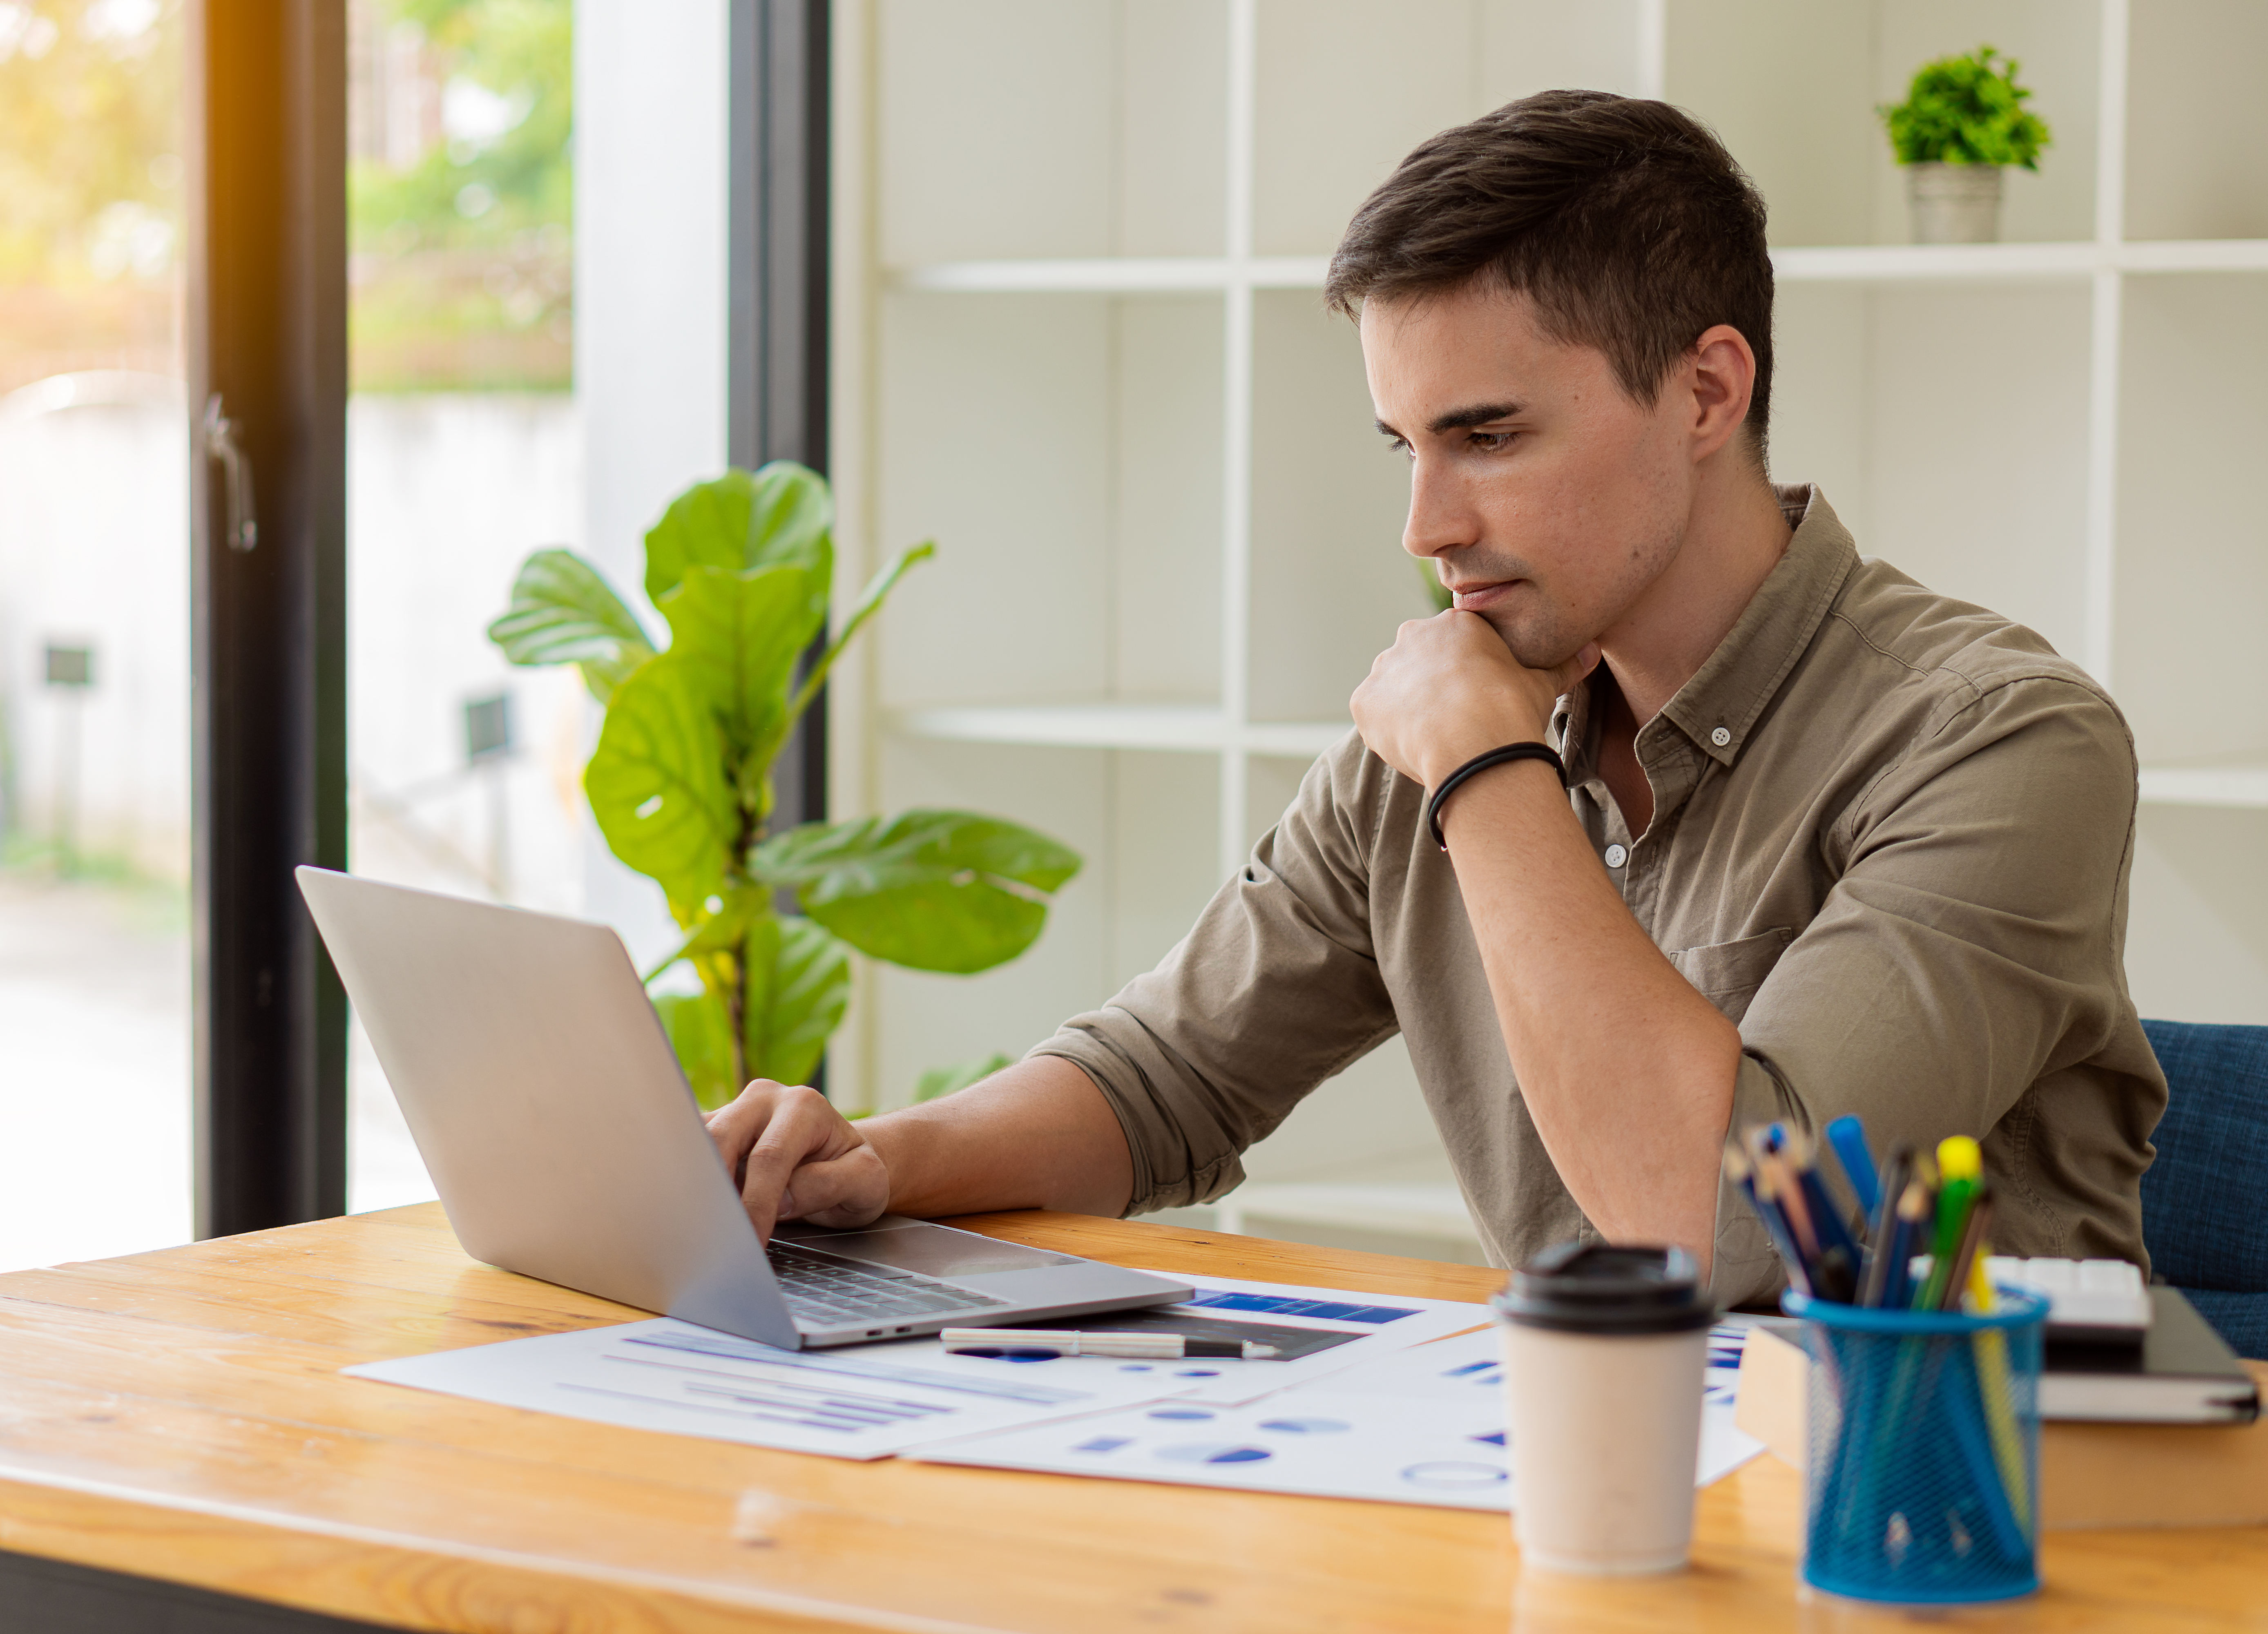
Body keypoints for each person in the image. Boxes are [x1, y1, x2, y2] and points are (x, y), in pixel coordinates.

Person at [705, 90, 2164, 1306]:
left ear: (1709, 392)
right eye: (1403, 441)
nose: (1426, 524)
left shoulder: (1999, 741)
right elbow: (1169, 1077)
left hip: (1953, 1533)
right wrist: (880, 1161)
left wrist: (1486, 775)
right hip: (1573, 1495)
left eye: (1488, 436)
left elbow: (1722, 1232)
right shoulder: (1461, 705)